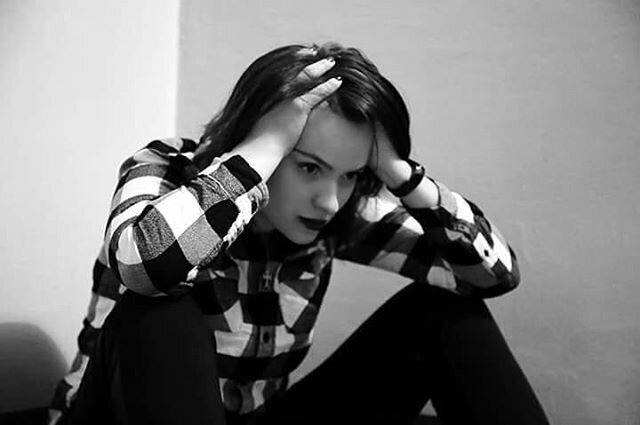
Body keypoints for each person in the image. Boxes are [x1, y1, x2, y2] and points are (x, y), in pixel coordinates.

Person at [49, 42, 549, 425]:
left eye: (350, 175)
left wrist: (404, 176)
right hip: (109, 417)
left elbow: (494, 275)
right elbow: (143, 266)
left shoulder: (338, 213)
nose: (330, 201)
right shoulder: (167, 168)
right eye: (309, 168)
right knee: (161, 308)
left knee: (440, 311)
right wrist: (262, 149)